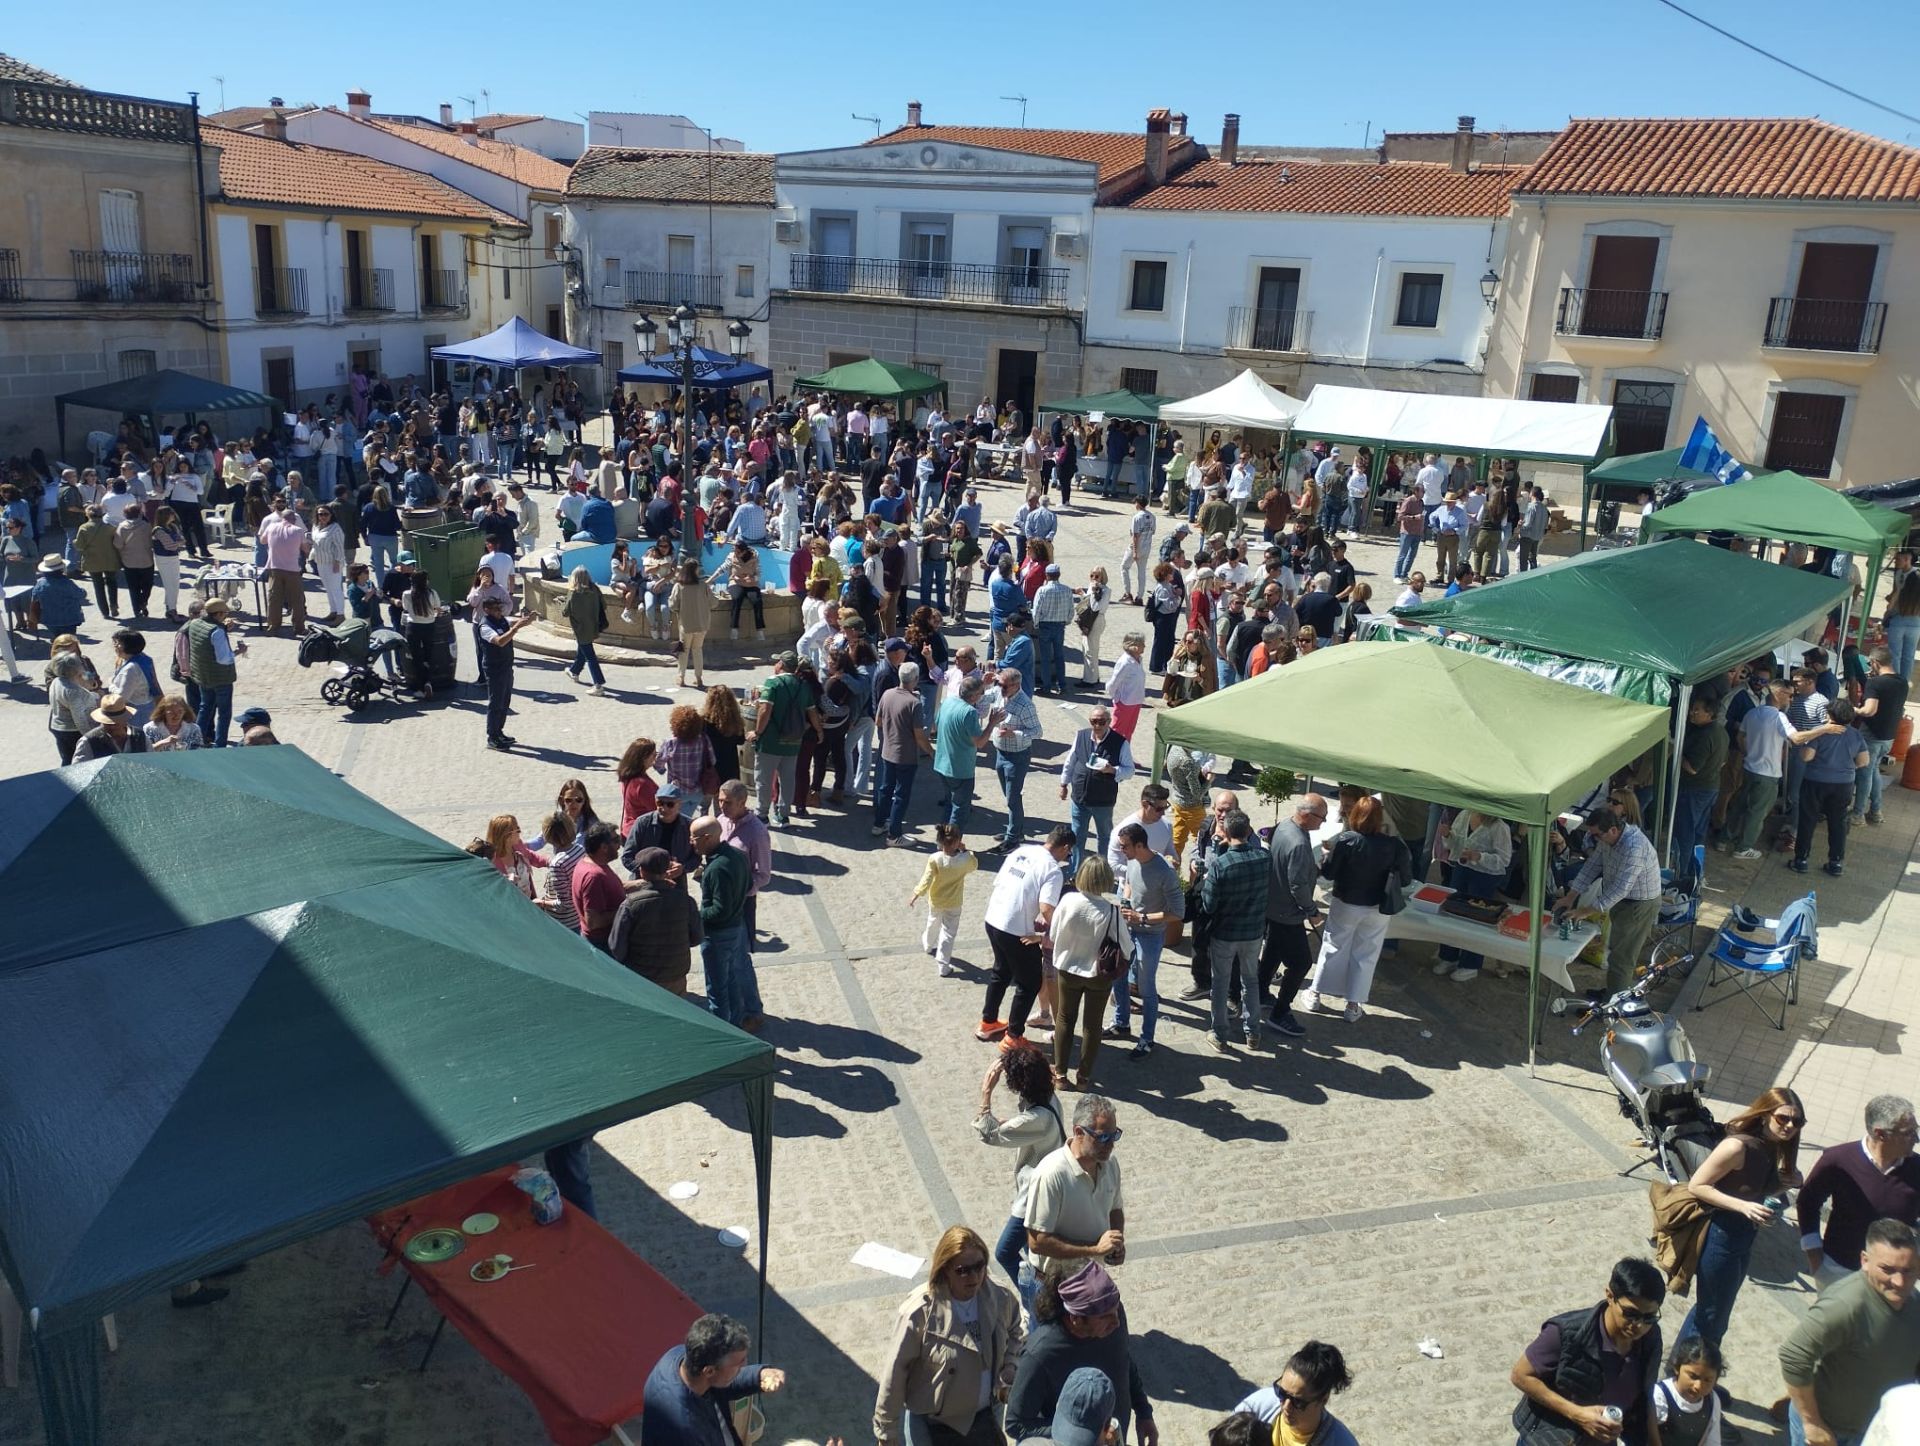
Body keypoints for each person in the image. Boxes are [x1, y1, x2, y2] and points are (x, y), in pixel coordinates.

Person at [1678, 1087, 1805, 1350]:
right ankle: (1686, 1375)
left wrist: (1785, 1185)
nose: (1790, 1126)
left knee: (1713, 1311)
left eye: (1797, 1121)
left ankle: (1687, 1367)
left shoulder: (1772, 1147)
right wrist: (1743, 1207)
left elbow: (1754, 1188)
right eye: (1783, 1118)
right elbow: (1698, 1185)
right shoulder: (1736, 1146)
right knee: (1712, 1318)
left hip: (1743, 1239)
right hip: (1720, 1237)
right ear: (1764, 1115)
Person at [874, 1225, 1025, 1446]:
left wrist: (1010, 1364)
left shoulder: (999, 1297)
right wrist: (886, 1432)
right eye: (963, 1270)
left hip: (984, 1418)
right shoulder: (920, 1312)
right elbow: (896, 1372)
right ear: (945, 1269)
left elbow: (1016, 1331)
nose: (974, 1276)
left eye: (979, 1266)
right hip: (932, 1425)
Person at [1779, 1219, 1920, 1446]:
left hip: (1874, 1427)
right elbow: (1793, 1356)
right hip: (1830, 1429)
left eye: (1908, 1270)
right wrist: (1812, 1423)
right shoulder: (1844, 1304)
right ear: (1865, 1261)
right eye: (1887, 1269)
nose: (1899, 1282)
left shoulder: (1915, 1304)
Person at [1511, 1257, 1667, 1446]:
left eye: (1649, 1317)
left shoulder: (1650, 1338)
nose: (1639, 1325)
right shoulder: (1567, 1333)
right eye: (1631, 1314)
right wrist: (1577, 1414)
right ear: (1610, 1296)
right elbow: (1520, 1375)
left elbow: (1646, 1393)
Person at [1005, 1262, 1154, 1446]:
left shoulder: (1112, 1314)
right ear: (1075, 1319)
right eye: (1105, 1316)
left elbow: (1123, 1360)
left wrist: (1143, 1411)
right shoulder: (1041, 1354)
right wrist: (1086, 1433)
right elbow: (1016, 1424)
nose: (1116, 1321)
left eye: (1116, 1309)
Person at [1299, 796, 1413, 1023]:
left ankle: (1315, 993)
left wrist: (1325, 856)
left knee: (1333, 947)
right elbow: (1407, 879)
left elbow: (1329, 874)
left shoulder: (1346, 840)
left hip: (1346, 903)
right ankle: (1353, 1005)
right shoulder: (1394, 845)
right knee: (1366, 955)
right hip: (1377, 908)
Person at [1796, 1095, 1920, 1286]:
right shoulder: (1838, 1160)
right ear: (1881, 1134)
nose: (1916, 1139)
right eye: (1908, 1133)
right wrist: (1815, 1258)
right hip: (1839, 1271)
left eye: (1916, 1130)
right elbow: (1807, 1202)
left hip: (1895, 1279)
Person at [976, 1046, 1068, 1288]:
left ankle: (1034, 1297)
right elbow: (1022, 1127)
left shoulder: (1037, 1119)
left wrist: (986, 1093)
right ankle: (1046, 1289)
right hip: (1048, 1189)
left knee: (1005, 1252)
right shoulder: (1049, 1099)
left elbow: (990, 1135)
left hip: (1033, 1198)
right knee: (1038, 1257)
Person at [979, 825, 1073, 1046]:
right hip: (1016, 930)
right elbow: (1047, 908)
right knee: (1030, 982)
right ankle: (1013, 1036)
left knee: (1001, 971)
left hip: (993, 918)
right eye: (1068, 853)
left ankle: (988, 1022)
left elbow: (1001, 882)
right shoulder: (1052, 869)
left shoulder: (1021, 850)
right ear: (1065, 847)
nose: (1067, 857)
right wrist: (1062, 932)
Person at [1554, 806, 1663, 995]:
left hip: (1639, 905)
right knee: (1615, 950)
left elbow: (1622, 887)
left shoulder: (1634, 847)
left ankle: (1614, 1006)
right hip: (1623, 901)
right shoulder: (1607, 838)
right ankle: (1613, 993)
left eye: (1596, 835)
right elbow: (1592, 866)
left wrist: (1585, 911)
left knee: (1622, 958)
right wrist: (1570, 897)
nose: (1594, 839)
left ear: (1613, 830)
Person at [642, 1313, 786, 1446]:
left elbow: (721, 1383)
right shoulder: (685, 1430)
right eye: (738, 1363)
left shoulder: (681, 1357)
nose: (745, 1365)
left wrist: (758, 1375)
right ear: (709, 1370)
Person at [1107, 821, 1183, 1059]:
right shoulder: (1132, 861)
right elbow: (1129, 883)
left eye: (1125, 846)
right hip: (1128, 930)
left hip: (1150, 936)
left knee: (1146, 987)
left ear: (1139, 845)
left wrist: (1143, 917)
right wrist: (1125, 902)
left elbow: (1178, 912)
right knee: (1118, 976)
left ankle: (1147, 1038)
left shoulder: (1163, 872)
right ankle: (1121, 1023)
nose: (1121, 851)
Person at [1047, 858, 1123, 1090]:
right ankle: (1084, 1078)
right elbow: (1126, 947)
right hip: (1099, 974)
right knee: (1092, 1024)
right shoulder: (1111, 911)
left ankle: (1060, 1074)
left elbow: (1053, 934)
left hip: (1068, 969)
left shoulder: (1068, 900)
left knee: (1064, 1019)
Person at [1201, 810, 1271, 1054]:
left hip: (1225, 934)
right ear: (1249, 830)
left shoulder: (1221, 865)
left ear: (1227, 833)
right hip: (1253, 932)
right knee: (1250, 981)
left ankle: (1220, 1034)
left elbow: (1209, 904)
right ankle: (1253, 1032)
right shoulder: (1264, 857)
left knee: (1220, 983)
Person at [1261, 794, 1329, 1039]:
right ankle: (1280, 1014)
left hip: (1272, 906)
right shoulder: (1299, 843)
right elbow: (1298, 886)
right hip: (1288, 913)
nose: (1324, 823)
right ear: (1307, 815)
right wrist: (1313, 912)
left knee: (1272, 953)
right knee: (1301, 963)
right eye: (1322, 818)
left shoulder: (1283, 827)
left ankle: (1259, 993)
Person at [1431, 808, 1514, 983]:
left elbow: (1504, 860)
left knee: (1477, 920)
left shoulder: (1500, 827)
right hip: (1462, 869)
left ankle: (1470, 964)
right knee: (1452, 912)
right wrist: (1447, 836)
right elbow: (1453, 844)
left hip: (1485, 877)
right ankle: (1448, 956)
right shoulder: (1464, 815)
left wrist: (1479, 856)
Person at [608, 846, 703, 997]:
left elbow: (616, 947)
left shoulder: (631, 904)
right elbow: (697, 937)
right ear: (667, 870)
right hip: (676, 975)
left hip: (642, 978)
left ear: (642, 872)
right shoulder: (686, 901)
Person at [1791, 699, 1868, 876]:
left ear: (1831, 715)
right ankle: (1835, 863)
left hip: (1815, 782)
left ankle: (1801, 860)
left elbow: (1807, 757)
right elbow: (1864, 761)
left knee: (1807, 820)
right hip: (1843, 785)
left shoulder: (1820, 733)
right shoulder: (1856, 735)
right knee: (1838, 823)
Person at [1229, 1342, 1359, 1446]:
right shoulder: (1257, 1408)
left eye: (1298, 1402)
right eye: (1281, 1393)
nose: (1286, 1406)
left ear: (1323, 1399)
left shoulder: (1341, 1442)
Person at [691, 815, 753, 1025]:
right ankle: (736, 1024)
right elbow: (749, 884)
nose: (691, 841)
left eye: (694, 837)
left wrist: (695, 916)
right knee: (732, 980)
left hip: (717, 935)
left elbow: (719, 910)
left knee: (717, 989)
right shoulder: (738, 855)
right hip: (736, 927)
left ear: (707, 838)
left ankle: (721, 1032)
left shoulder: (717, 868)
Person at [1059, 708, 1136, 873]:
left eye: (1102, 721)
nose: (1098, 725)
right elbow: (1070, 760)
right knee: (1077, 837)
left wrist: (1113, 770)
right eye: (1094, 721)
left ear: (1109, 722)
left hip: (1103, 801)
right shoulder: (1081, 736)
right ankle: (1075, 871)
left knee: (1105, 837)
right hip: (1079, 797)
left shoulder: (1120, 742)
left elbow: (1129, 770)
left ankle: (1101, 872)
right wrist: (1064, 784)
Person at [874, 661, 934, 846]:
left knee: (885, 789)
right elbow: (920, 736)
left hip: (887, 752)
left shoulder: (887, 694)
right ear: (915, 679)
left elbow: (878, 721)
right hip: (906, 756)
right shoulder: (914, 703)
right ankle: (894, 835)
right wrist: (932, 753)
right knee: (901, 795)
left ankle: (879, 824)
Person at [984, 669, 1043, 854]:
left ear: (1016, 686)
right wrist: (985, 684)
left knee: (1013, 797)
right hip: (1000, 752)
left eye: (1004, 685)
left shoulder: (1025, 705)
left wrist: (1014, 733)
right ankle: (1015, 829)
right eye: (999, 683)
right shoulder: (999, 693)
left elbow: (1037, 731)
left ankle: (1013, 838)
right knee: (1009, 796)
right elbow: (982, 699)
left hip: (1017, 757)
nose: (1000, 688)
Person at [911, 824, 979, 976]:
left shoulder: (935, 858)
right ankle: (943, 964)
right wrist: (965, 850)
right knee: (948, 933)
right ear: (957, 842)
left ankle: (928, 945)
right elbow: (974, 866)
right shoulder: (964, 859)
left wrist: (917, 893)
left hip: (936, 899)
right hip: (954, 901)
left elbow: (927, 879)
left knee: (932, 921)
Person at [1851, 647, 1907, 825]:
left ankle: (1858, 814)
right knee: (1873, 770)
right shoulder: (1902, 681)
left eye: (1870, 663)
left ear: (1875, 662)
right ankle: (1876, 811)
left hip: (1871, 735)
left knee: (1864, 774)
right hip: (1888, 737)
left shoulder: (1875, 683)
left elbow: (1869, 710)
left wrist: (1853, 709)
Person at [750, 652, 807, 826]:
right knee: (788, 779)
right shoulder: (802, 685)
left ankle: (761, 814)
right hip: (793, 741)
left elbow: (765, 710)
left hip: (770, 742)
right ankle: (783, 815)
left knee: (764, 779)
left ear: (781, 664)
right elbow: (811, 711)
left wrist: (757, 732)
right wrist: (818, 732)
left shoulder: (772, 682)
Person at [476, 594, 536, 752]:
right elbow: (500, 641)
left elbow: (515, 622)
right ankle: (492, 737)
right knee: (495, 703)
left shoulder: (501, 620)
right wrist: (517, 628)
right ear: (486, 610)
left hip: (506, 667)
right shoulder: (485, 626)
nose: (499, 612)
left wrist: (528, 619)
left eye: (500, 608)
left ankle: (499, 732)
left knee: (504, 701)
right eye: (495, 609)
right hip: (494, 668)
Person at [185, 596, 241, 746]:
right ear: (218, 614)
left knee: (205, 708)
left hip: (203, 675)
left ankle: (195, 742)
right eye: (224, 614)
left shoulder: (195, 623)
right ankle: (220, 744)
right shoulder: (216, 631)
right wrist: (237, 651)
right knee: (224, 714)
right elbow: (224, 659)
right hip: (221, 678)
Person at [1652, 1337, 1727, 1446]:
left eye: (1707, 1380)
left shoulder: (1713, 1401)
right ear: (1677, 1367)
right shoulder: (1658, 1397)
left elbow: (1712, 1442)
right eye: (1693, 1376)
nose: (1698, 1386)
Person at [560, 565, 609, 696]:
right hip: (593, 625)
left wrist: (561, 602)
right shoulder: (595, 589)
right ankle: (574, 671)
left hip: (580, 628)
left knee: (590, 656)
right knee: (583, 649)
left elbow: (565, 612)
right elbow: (604, 605)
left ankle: (598, 685)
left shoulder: (574, 592)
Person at [72, 692, 148, 761]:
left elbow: (151, 762)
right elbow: (78, 771)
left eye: (116, 723)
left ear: (125, 719)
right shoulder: (88, 742)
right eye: (107, 723)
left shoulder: (140, 736)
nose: (112, 727)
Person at [1106, 632, 1148, 740]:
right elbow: (1114, 681)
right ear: (1133, 646)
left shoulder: (1139, 659)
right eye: (1142, 644)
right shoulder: (1125, 662)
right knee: (1117, 730)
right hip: (1125, 701)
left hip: (1136, 701)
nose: (1145, 646)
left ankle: (1124, 751)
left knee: (1129, 730)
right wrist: (1115, 697)